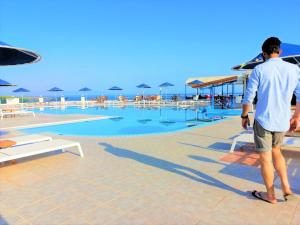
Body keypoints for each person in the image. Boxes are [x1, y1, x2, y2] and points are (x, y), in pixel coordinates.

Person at [241, 37, 300, 204]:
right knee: (277, 152)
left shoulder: (259, 70)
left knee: (266, 158)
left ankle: (271, 195)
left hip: (263, 120)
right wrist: (296, 116)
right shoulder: (293, 69)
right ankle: (287, 188)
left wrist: (244, 116)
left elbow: (248, 97)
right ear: (279, 51)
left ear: (263, 54)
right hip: (282, 121)